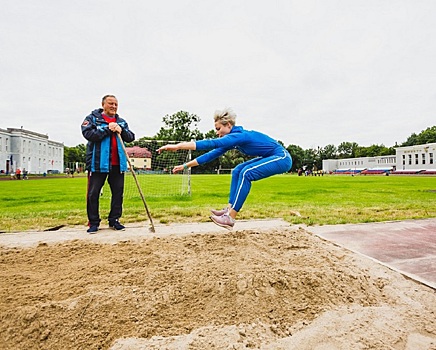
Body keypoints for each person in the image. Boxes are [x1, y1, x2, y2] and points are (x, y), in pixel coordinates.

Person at [158, 107, 292, 229]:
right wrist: (185, 166)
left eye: (218, 129)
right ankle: (228, 209)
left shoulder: (240, 136)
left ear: (228, 125)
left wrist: (177, 146)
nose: (217, 133)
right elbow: (210, 155)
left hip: (282, 157)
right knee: (238, 170)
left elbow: (212, 144)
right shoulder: (234, 139)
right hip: (271, 156)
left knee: (246, 173)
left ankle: (230, 217)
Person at [81, 95, 135, 234]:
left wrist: (120, 130)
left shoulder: (121, 121)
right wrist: (107, 129)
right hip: (98, 164)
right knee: (93, 194)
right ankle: (93, 223)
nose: (114, 106)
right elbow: (88, 134)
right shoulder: (92, 119)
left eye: (116, 104)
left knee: (118, 193)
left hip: (118, 164)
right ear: (103, 104)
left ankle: (114, 220)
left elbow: (131, 137)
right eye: (111, 103)